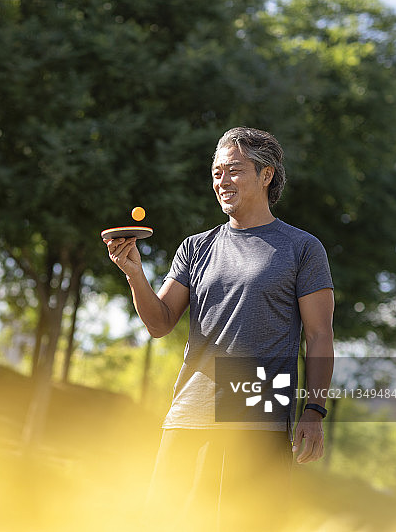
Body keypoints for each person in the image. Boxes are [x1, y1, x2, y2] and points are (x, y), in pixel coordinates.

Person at [104, 127, 334, 531]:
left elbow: (318, 335)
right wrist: (134, 274)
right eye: (216, 173)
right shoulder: (196, 247)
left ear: (266, 175)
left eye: (234, 171)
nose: (222, 181)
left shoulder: (301, 248)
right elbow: (159, 323)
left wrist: (313, 411)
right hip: (188, 410)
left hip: (258, 407)